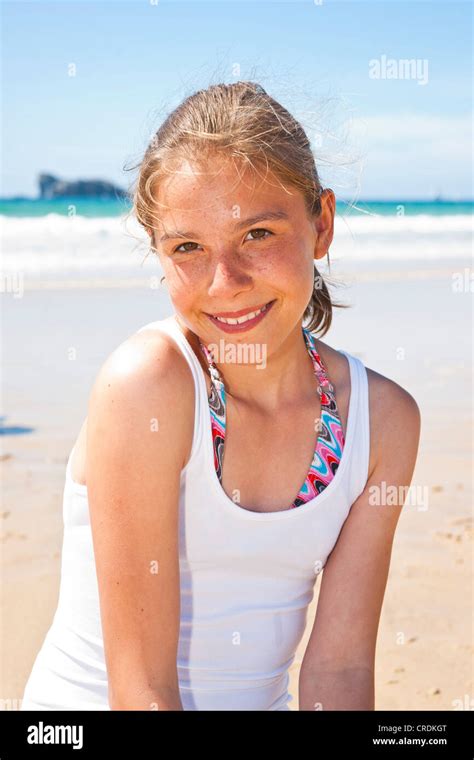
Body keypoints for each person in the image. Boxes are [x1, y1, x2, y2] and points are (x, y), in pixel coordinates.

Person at [21, 81, 420, 711]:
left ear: (322, 225)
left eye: (258, 234)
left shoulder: (383, 422)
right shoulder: (149, 387)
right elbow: (142, 691)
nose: (225, 282)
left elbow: (338, 670)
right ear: (157, 253)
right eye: (188, 248)